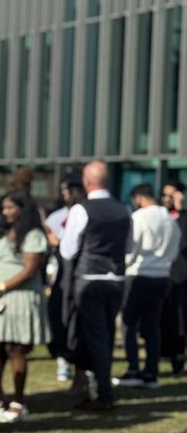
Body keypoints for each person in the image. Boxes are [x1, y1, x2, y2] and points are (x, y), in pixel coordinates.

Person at [59, 160, 130, 411]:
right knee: (107, 335)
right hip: (117, 280)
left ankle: (102, 394)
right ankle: (99, 389)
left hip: (90, 279)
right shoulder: (123, 209)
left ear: (88, 182)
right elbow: (129, 247)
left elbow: (68, 249)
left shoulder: (82, 209)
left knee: (95, 338)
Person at [0, 191, 50, 422]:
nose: (6, 212)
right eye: (4, 208)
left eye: (10, 207)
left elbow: (29, 269)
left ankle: (18, 402)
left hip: (20, 298)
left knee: (15, 349)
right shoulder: (2, 234)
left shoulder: (34, 235)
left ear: (22, 208)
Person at [113, 184, 179, 389]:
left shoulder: (139, 217)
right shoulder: (169, 219)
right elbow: (174, 248)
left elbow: (131, 249)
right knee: (152, 325)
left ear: (139, 198)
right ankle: (151, 371)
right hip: (162, 275)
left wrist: (124, 265)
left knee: (129, 323)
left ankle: (133, 368)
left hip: (140, 274)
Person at [44, 170, 85, 382]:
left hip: (77, 271)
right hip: (61, 271)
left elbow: (68, 248)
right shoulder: (57, 216)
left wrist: (59, 241)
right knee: (59, 316)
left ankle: (79, 370)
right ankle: (63, 359)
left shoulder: (83, 212)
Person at [160, 181, 187, 375]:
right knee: (167, 320)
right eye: (165, 195)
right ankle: (170, 358)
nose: (167, 199)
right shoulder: (159, 216)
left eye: (172, 195)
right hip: (164, 276)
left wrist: (181, 210)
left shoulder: (183, 218)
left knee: (181, 320)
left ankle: (180, 359)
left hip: (183, 276)